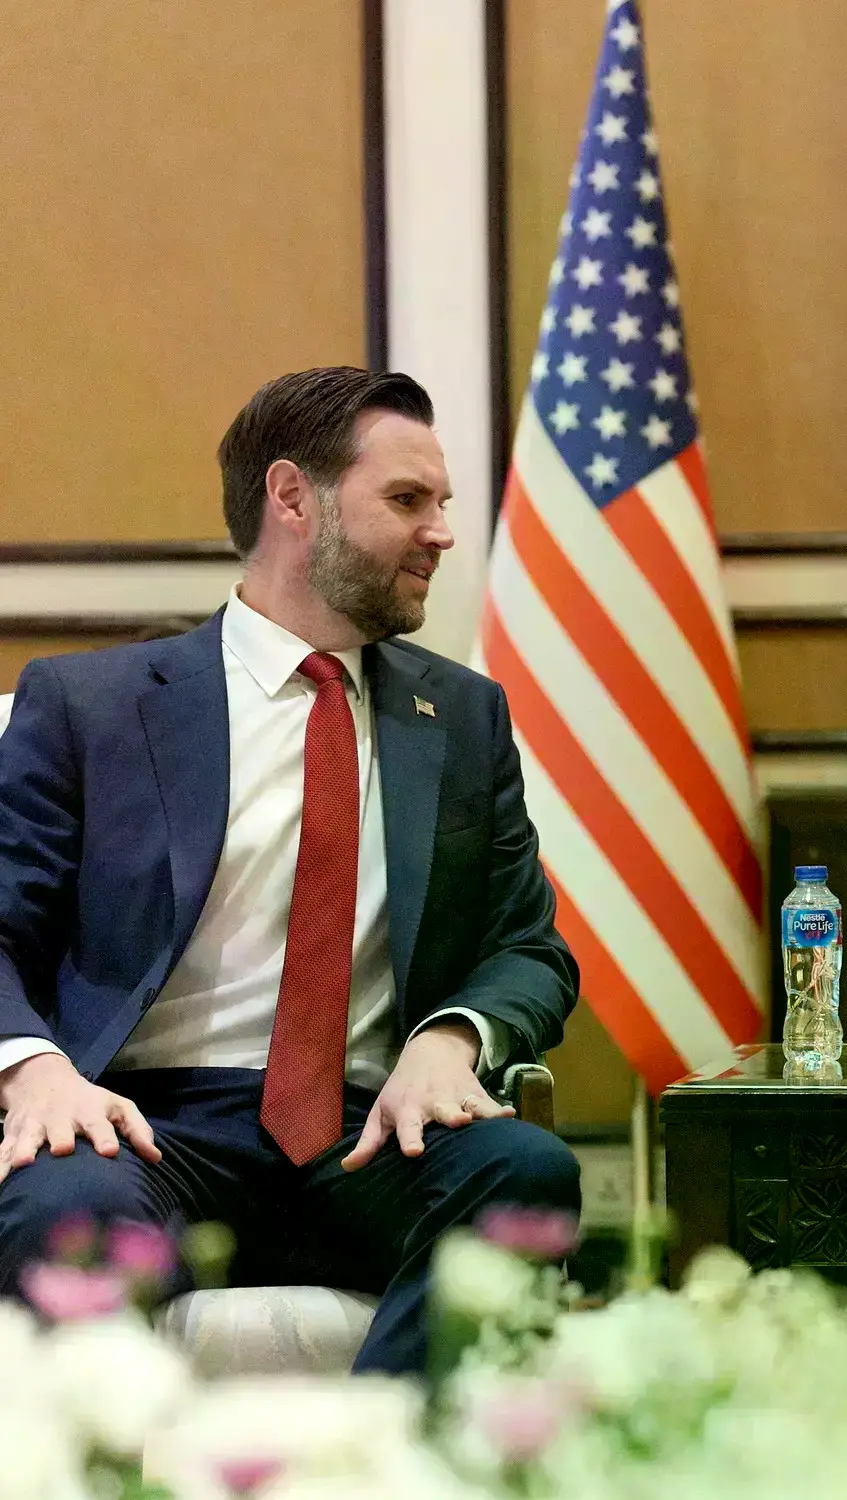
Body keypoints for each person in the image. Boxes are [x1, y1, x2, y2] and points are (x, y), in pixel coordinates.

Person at [0, 367, 580, 1375]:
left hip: (372, 1132)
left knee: (523, 1170)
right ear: (291, 498)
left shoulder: (464, 718)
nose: (441, 531)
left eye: (442, 503)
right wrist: (35, 1070)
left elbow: (526, 949)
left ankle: (382, 1469)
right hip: (146, 1127)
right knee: (60, 1201)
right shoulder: (90, 708)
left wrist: (453, 1036)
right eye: (407, 500)